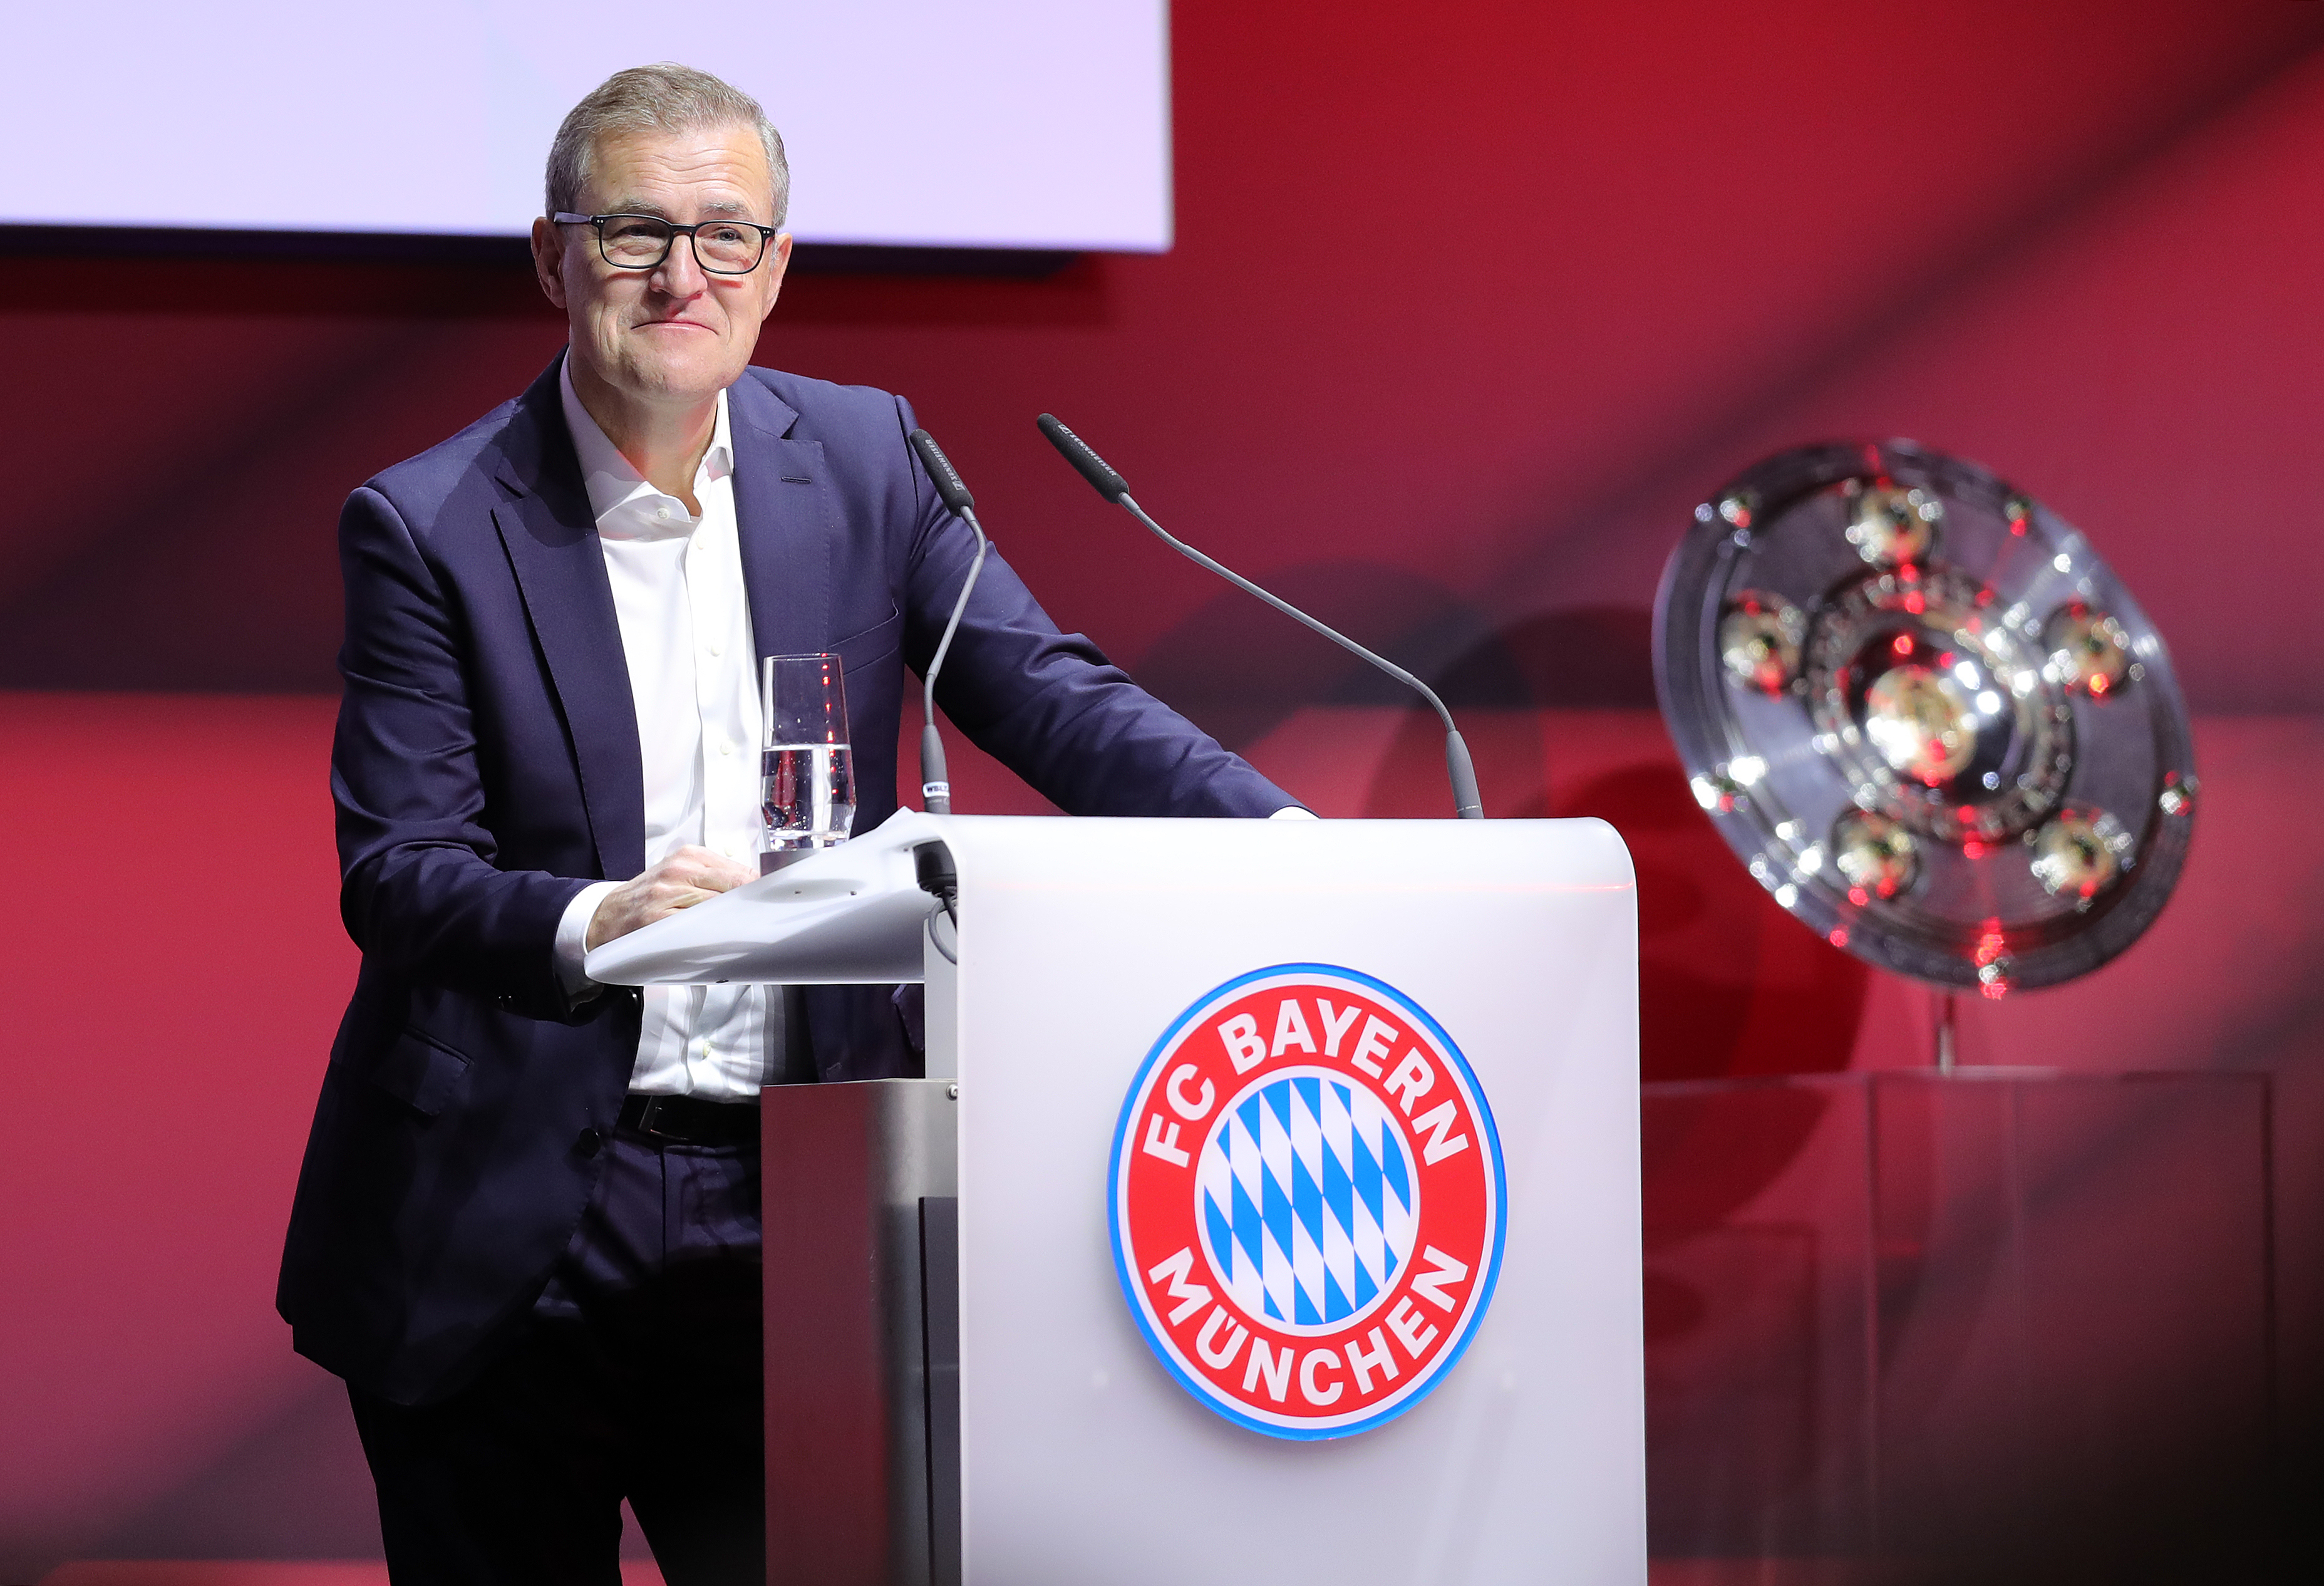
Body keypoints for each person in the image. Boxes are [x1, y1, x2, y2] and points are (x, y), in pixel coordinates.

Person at [276, 62, 1304, 1585]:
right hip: (507, 1221)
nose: (682, 275)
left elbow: (1055, 700)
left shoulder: (872, 462)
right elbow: (401, 874)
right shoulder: (427, 523)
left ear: (778, 268)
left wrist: (1300, 847)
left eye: (724, 236)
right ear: (553, 259)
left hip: (802, 1207)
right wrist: (597, 919)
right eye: (633, 234)